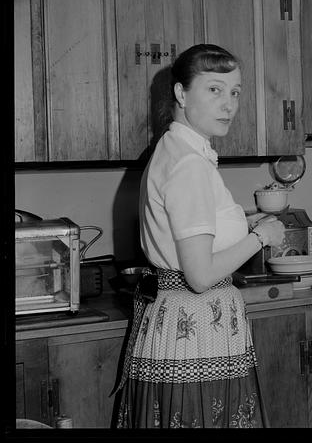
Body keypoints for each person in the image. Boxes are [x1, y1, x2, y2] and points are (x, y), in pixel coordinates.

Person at [113, 43, 285, 428]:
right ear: (181, 93)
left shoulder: (179, 151)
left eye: (235, 92)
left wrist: (245, 218)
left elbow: (193, 226)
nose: (229, 104)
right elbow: (200, 275)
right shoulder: (190, 164)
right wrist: (261, 236)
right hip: (194, 331)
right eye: (214, 89)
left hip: (179, 323)